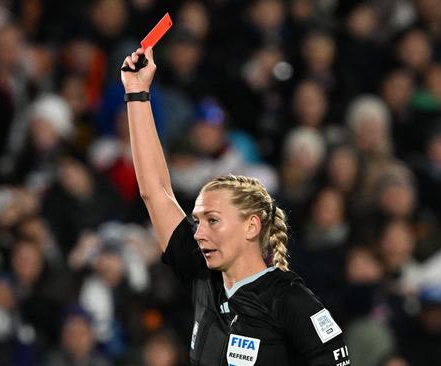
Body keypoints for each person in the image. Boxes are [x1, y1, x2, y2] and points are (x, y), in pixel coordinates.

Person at [120, 47, 349, 366]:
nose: (199, 233)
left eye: (212, 220)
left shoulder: (289, 301)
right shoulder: (203, 277)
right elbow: (155, 192)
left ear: (251, 226)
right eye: (197, 221)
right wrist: (136, 93)